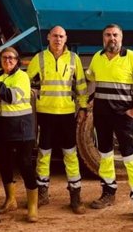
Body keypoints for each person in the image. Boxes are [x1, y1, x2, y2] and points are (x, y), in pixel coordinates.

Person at [86, 24, 133, 225]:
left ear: (121, 37)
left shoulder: (131, 57)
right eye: (108, 35)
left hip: (123, 117)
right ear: (103, 38)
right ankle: (108, 193)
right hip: (101, 116)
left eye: (115, 35)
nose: (112, 38)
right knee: (105, 155)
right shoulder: (97, 58)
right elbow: (89, 77)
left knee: (131, 159)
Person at [26, 25, 88, 215]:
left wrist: (83, 107)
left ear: (66, 38)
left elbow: (81, 85)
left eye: (61, 36)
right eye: (55, 36)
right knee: (44, 153)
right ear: (48, 37)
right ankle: (43, 193)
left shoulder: (73, 59)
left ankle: (75, 196)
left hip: (67, 113)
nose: (58, 39)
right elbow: (25, 79)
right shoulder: (40, 58)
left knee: (70, 154)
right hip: (46, 113)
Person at [0, 47, 38, 223]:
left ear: (17, 60)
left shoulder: (21, 77)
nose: (7, 61)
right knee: (5, 163)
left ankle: (32, 207)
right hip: (2, 127)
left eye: (11, 58)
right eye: (4, 58)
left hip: (22, 127)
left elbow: (11, 97)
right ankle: (10, 200)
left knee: (25, 164)